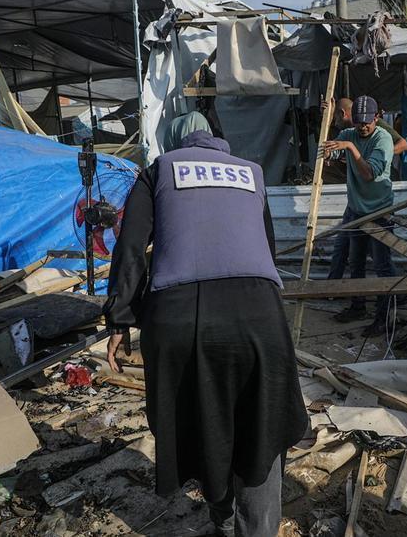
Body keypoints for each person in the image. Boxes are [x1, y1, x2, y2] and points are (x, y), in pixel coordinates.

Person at [103, 125, 308, 537]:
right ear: (223, 146)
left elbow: (130, 247)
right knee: (260, 423)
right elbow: (265, 247)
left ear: (181, 143)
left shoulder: (160, 170)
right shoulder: (252, 172)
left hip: (177, 317)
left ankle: (223, 517)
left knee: (199, 418)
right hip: (258, 313)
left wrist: (121, 318)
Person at [321, 96, 402, 336]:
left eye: (367, 122)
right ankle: (357, 306)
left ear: (377, 118)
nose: (363, 127)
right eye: (358, 123)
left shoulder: (383, 139)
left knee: (382, 265)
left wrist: (351, 148)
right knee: (355, 263)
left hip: (379, 212)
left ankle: (384, 317)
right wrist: (326, 119)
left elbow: (368, 174)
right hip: (356, 209)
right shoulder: (348, 134)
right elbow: (327, 151)